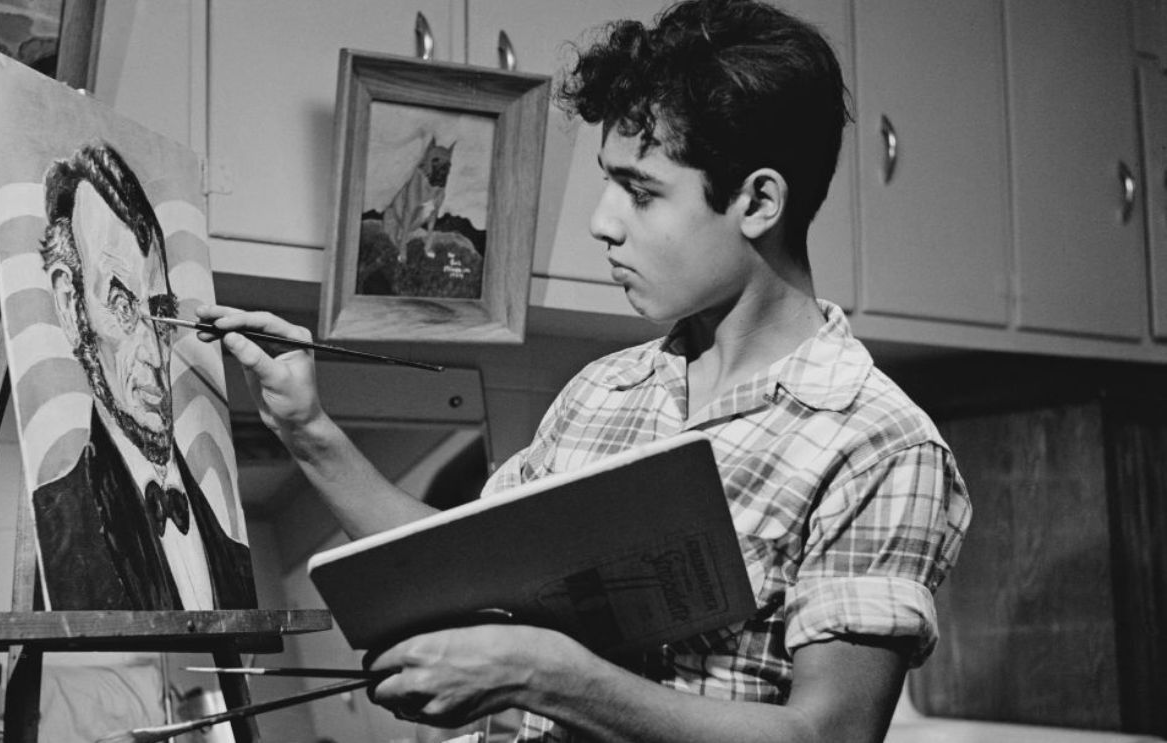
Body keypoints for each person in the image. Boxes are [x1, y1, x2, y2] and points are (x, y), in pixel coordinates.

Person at [199, 0, 971, 740]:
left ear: (758, 200)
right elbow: (453, 570)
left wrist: (546, 673)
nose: (602, 222)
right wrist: (306, 427)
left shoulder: (878, 443)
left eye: (640, 190)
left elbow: (828, 734)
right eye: (608, 180)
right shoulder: (604, 392)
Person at [35, 142, 256, 612]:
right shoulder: (58, 527)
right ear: (72, 309)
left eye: (161, 314)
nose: (155, 358)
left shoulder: (234, 559)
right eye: (121, 306)